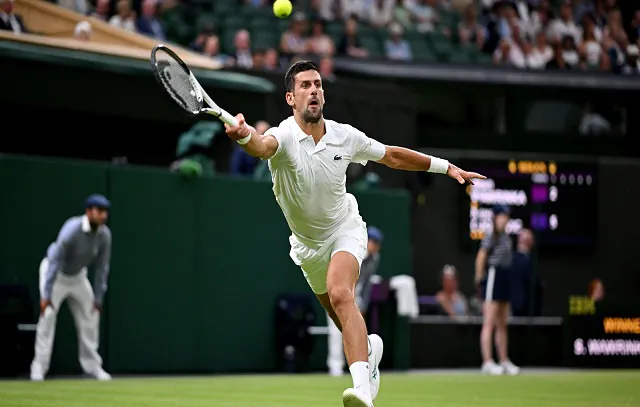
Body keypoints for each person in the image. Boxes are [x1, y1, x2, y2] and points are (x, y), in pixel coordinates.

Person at [223, 60, 485, 407]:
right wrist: (244, 137)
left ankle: (363, 390)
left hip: (345, 229)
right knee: (342, 318)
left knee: (341, 292)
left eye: (317, 84)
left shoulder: (345, 136)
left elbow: (391, 156)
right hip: (307, 247)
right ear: (290, 97)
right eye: (304, 85)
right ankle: (371, 351)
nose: (314, 90)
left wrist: (446, 166)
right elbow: (261, 145)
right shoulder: (283, 135)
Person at [30, 194, 113, 381]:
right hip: (55, 273)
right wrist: (46, 294)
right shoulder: (71, 230)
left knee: (91, 315)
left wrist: (98, 297)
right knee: (48, 317)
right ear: (88, 211)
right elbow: (55, 262)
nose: (103, 216)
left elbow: (102, 268)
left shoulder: (104, 235)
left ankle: (92, 367)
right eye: (99, 211)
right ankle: (38, 368)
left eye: (105, 212)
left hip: (78, 277)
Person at [327, 226, 383, 377]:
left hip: (355, 296)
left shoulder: (375, 258)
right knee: (336, 331)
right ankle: (335, 366)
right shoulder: (354, 253)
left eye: (378, 243)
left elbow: (366, 283)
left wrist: (362, 303)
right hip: (338, 292)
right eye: (374, 242)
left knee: (356, 331)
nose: (376, 246)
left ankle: (361, 368)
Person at [474, 205, 519, 376]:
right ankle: (487, 361)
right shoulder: (490, 235)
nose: (504, 219)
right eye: (501, 216)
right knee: (490, 321)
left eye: (506, 216)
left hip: (506, 277)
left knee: (502, 323)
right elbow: (481, 256)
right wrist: (479, 279)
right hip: (494, 275)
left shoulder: (507, 237)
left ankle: (504, 360)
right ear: (495, 217)